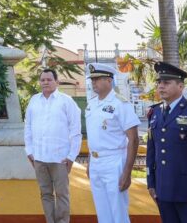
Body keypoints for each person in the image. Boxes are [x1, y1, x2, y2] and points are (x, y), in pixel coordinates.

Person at [146, 61, 187, 223]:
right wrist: (151, 183)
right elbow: (151, 151)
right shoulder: (154, 112)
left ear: (181, 86)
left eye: (167, 83)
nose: (161, 86)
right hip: (163, 190)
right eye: (159, 83)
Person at [24, 68, 81, 223]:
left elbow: (75, 130)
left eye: (49, 79)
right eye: (42, 80)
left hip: (60, 159)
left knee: (62, 194)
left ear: (57, 81)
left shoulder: (66, 101)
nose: (45, 82)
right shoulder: (34, 100)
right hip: (39, 158)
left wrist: (71, 156)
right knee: (46, 194)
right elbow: (28, 126)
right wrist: (29, 151)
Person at [84, 63, 140, 223]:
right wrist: (90, 162)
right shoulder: (91, 104)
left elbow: (134, 139)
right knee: (102, 210)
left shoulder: (120, 104)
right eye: (92, 79)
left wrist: (127, 172)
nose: (94, 82)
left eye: (98, 79)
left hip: (113, 161)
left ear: (109, 80)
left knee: (118, 210)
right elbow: (95, 137)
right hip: (95, 162)